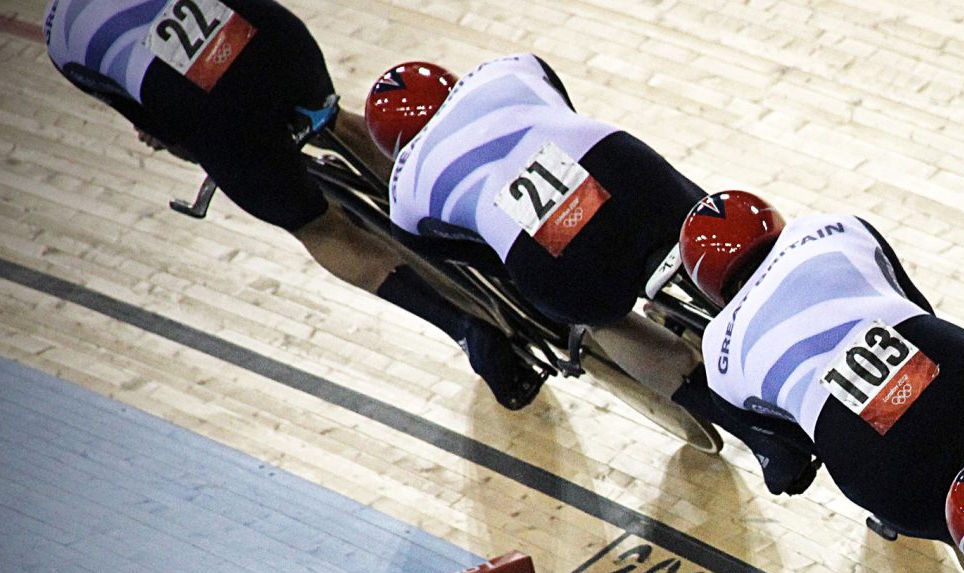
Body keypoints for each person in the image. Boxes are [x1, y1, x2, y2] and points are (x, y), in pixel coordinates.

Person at [43, 0, 531, 407]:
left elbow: (158, 127)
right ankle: (502, 246)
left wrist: (199, 148)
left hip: (209, 112)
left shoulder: (60, 37)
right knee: (335, 121)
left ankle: (467, 330)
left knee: (317, 226)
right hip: (273, 44)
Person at [669, 189, 964, 547]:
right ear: (771, 222)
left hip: (884, 469)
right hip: (963, 381)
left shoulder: (719, 352)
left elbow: (791, 443)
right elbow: (914, 304)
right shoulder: (830, 228)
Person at [373, 53, 784, 447]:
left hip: (555, 261)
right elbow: (564, 110)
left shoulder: (403, 197)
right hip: (627, 175)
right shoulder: (509, 66)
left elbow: (483, 259)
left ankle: (760, 439)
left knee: (604, 322)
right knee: (712, 230)